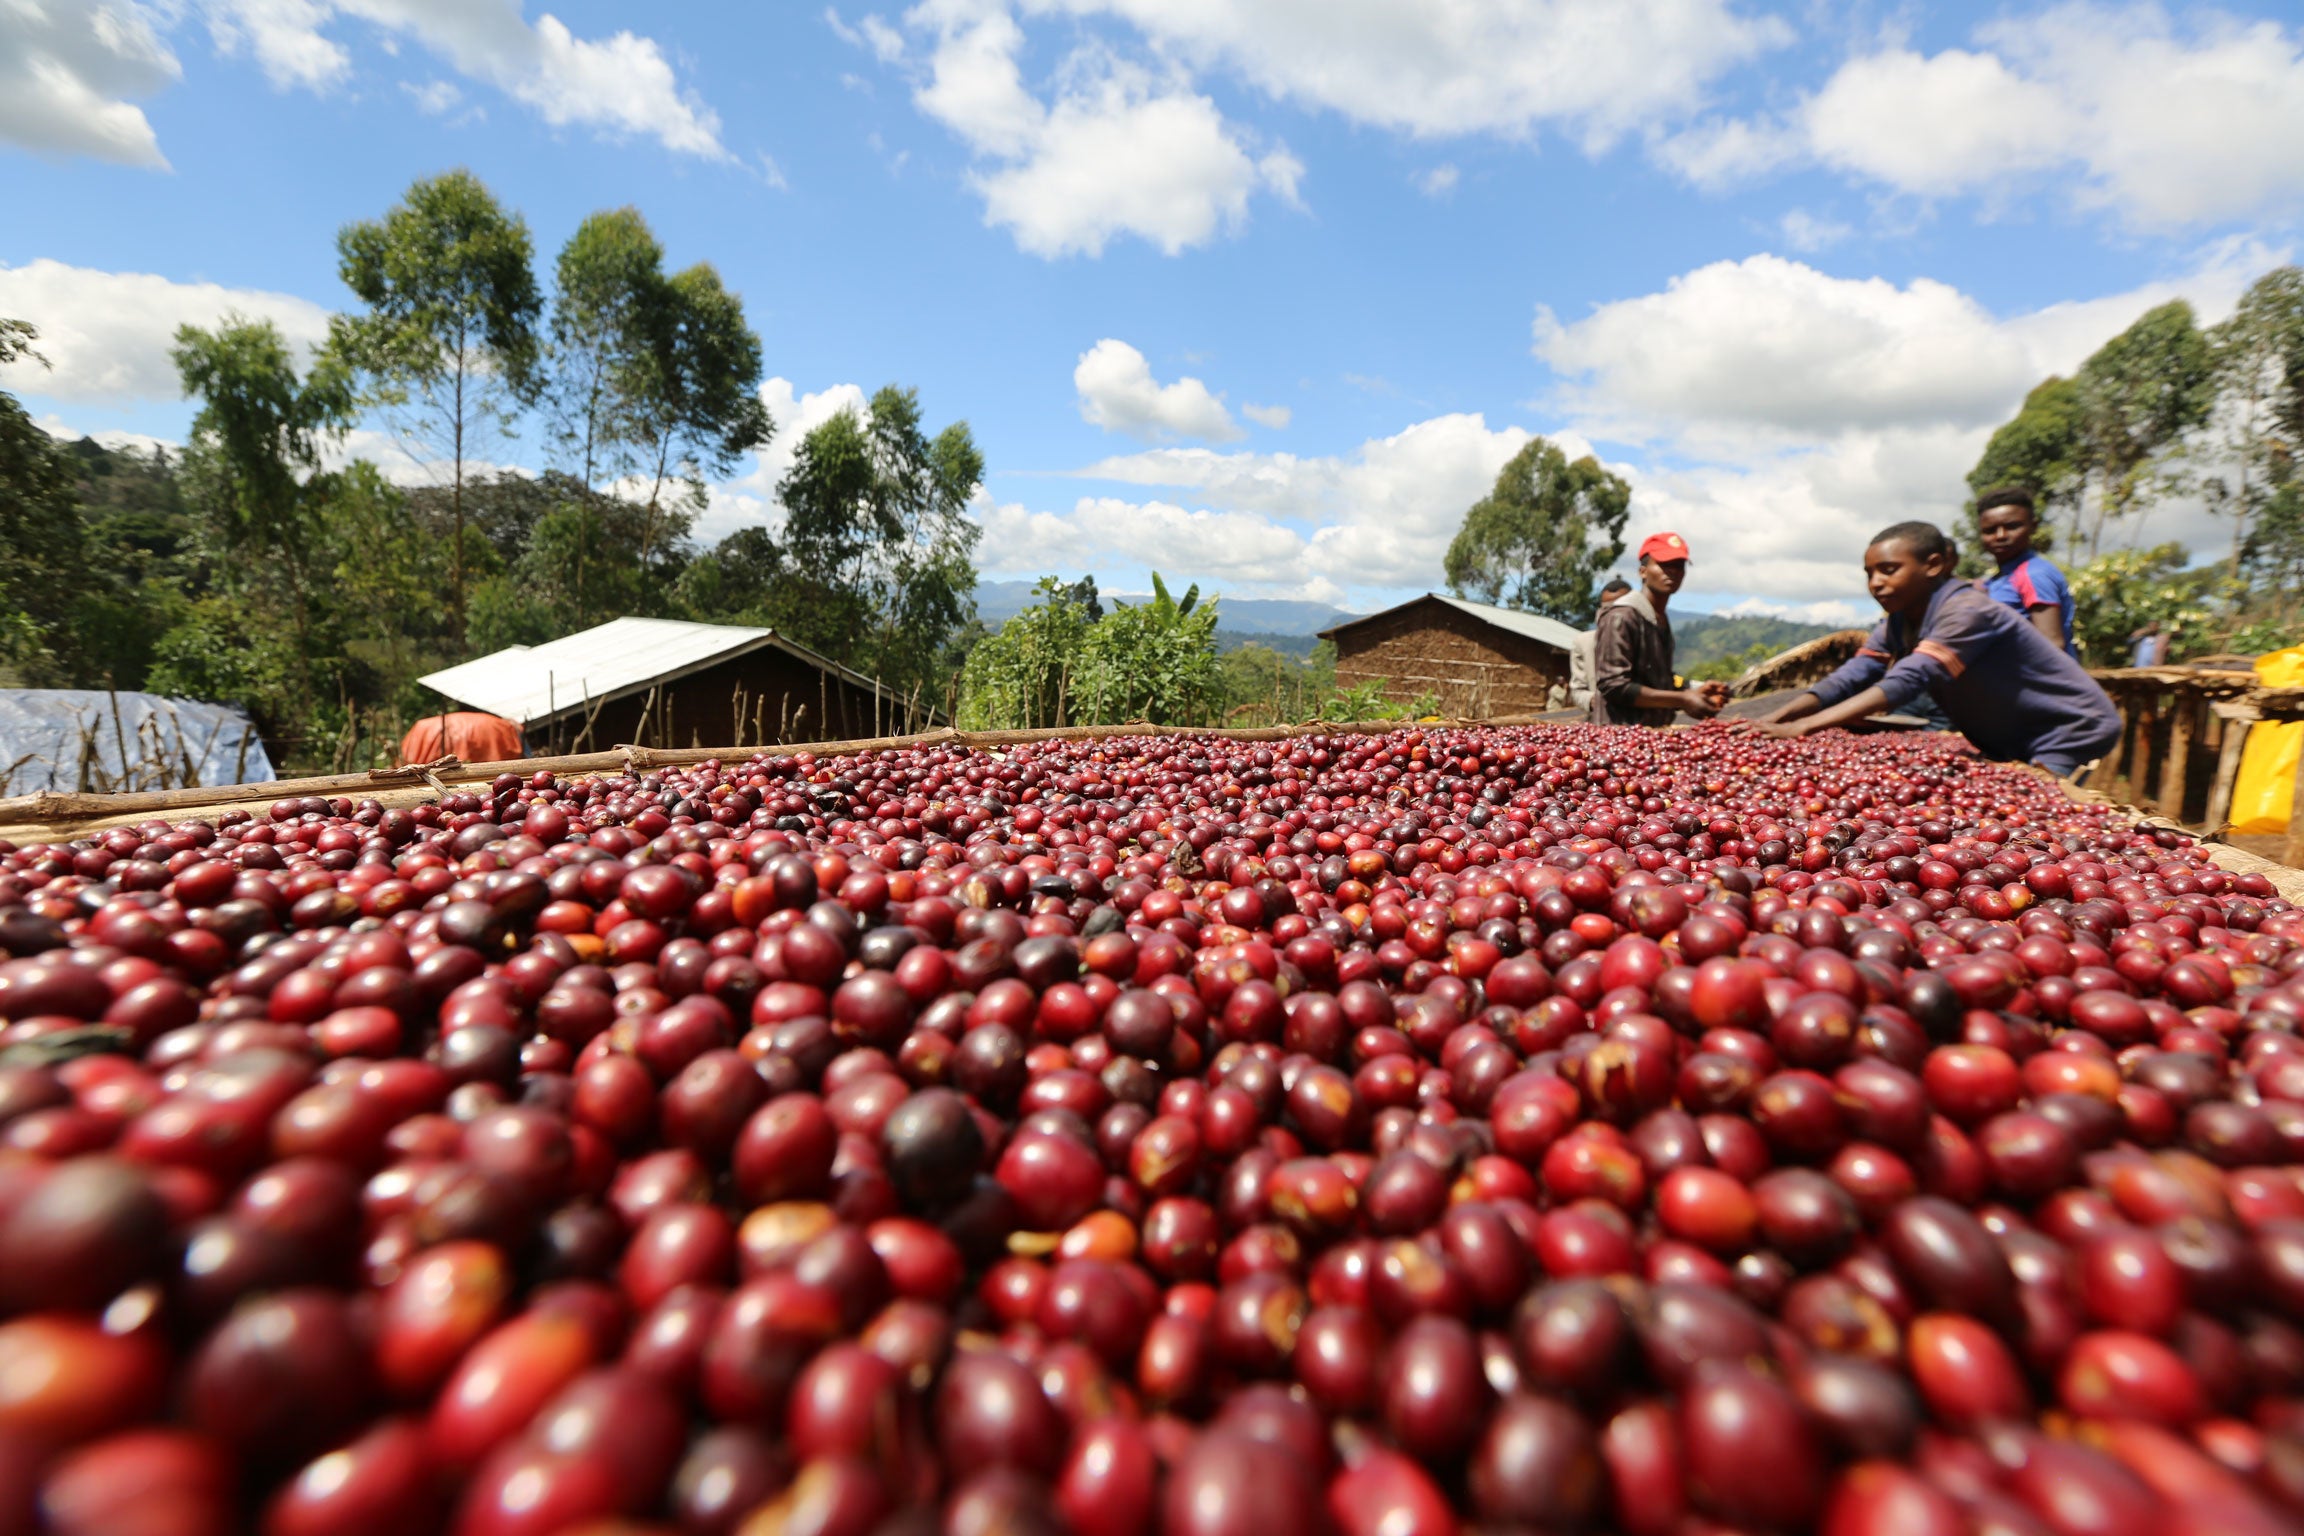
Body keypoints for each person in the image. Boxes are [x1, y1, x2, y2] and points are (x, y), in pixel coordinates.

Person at [1749, 520, 2121, 777]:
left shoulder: (1968, 610)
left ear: (1934, 564)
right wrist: (1780, 719)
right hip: (2012, 734)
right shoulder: (1898, 622)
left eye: (1889, 570)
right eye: (1869, 574)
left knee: (2040, 813)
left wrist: (1805, 727)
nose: (1876, 583)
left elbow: (1908, 679)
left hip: (2068, 727)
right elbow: (1851, 676)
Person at [1589, 533, 1729, 727]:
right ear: (1643, 571)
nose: (1672, 571)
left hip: (1651, 735)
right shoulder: (1622, 616)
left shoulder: (1658, 619)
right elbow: (1613, 685)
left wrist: (1692, 690)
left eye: (1679, 566)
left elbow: (1659, 679)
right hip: (1620, 739)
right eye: (1664, 564)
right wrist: (1681, 700)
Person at [1975, 487, 2077, 656]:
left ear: (2033, 527)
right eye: (1990, 530)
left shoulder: (2034, 575)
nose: (2000, 535)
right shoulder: (1999, 579)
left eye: (2012, 526)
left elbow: (2052, 646)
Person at [1568, 576, 1631, 710]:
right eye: (1607, 610)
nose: (1613, 616)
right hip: (1601, 720)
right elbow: (1577, 690)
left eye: (1620, 609)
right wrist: (1593, 700)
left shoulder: (1648, 638)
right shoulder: (1584, 643)